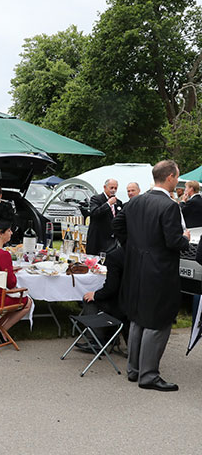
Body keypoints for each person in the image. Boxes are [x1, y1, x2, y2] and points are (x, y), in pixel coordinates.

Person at [112, 160, 190, 392]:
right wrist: (184, 238)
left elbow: (117, 225)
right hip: (159, 272)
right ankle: (148, 374)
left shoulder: (136, 202)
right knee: (158, 321)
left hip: (136, 268)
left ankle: (134, 369)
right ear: (170, 178)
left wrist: (133, 248)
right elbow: (173, 241)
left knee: (138, 318)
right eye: (177, 177)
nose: (177, 180)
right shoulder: (169, 206)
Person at [82, 245, 129, 352]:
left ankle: (96, 341)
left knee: (88, 299)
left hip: (122, 304)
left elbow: (111, 288)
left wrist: (95, 295)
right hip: (138, 301)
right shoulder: (141, 251)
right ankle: (111, 336)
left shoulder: (115, 256)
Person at [86, 178, 123, 255]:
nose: (113, 190)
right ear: (105, 187)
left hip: (112, 241)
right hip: (98, 239)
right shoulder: (96, 199)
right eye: (111, 188)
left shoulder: (118, 202)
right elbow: (94, 213)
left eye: (115, 188)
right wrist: (108, 204)